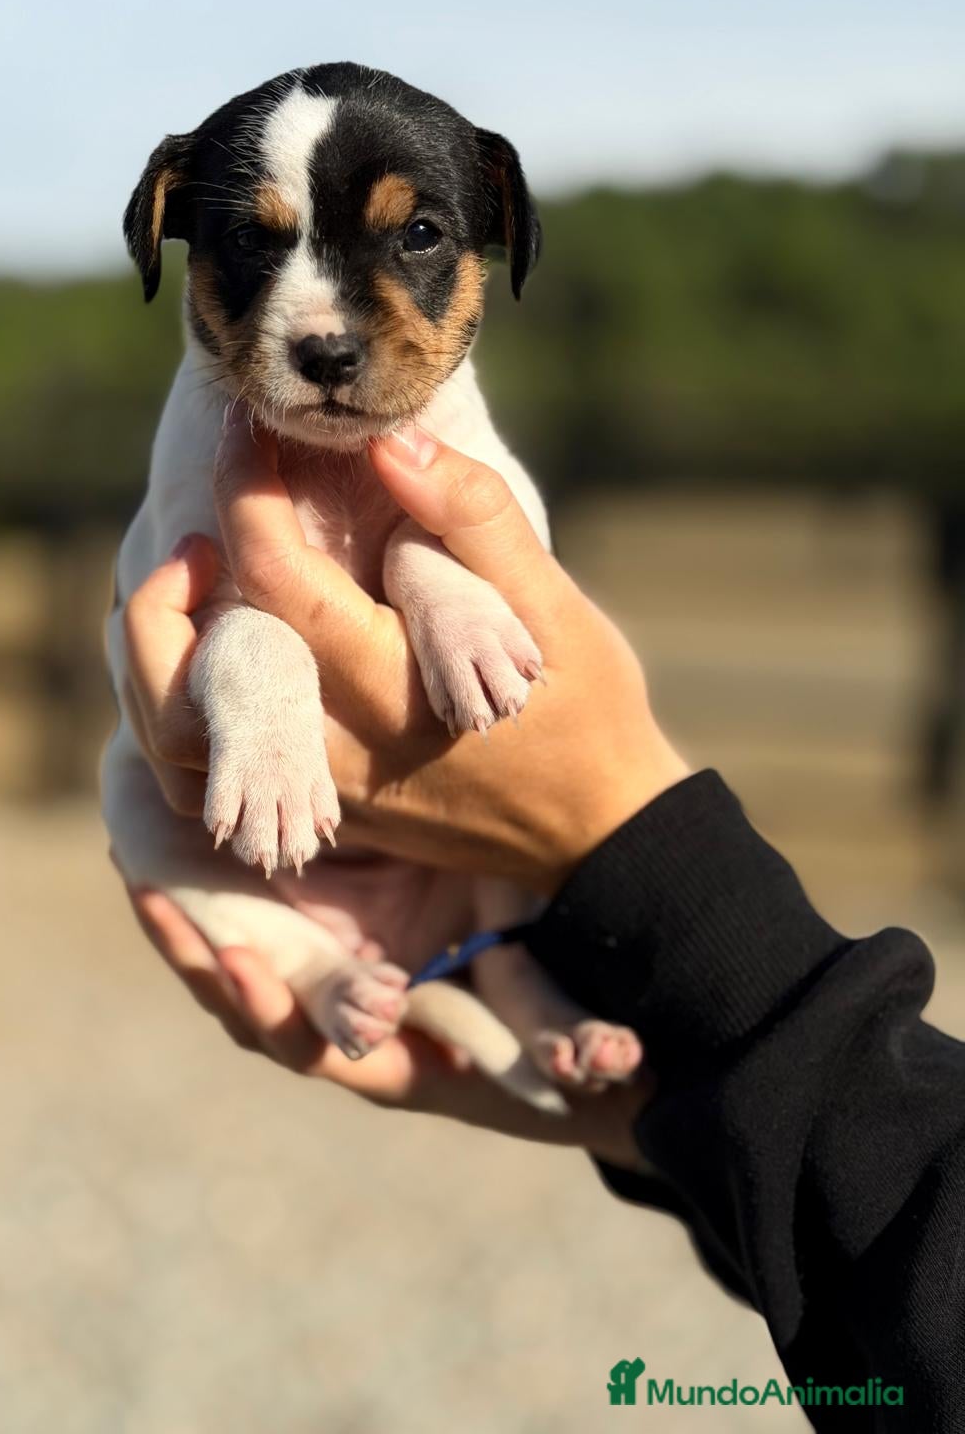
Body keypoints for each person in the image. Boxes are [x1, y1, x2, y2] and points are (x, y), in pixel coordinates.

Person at [118, 411, 965, 1430]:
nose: (331, 338)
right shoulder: (205, 434)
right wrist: (649, 1127)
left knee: (496, 866)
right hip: (281, 879)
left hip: (454, 883)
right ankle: (323, 968)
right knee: (140, 807)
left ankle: (516, 993)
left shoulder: (441, 434)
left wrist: (431, 578)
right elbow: (197, 618)